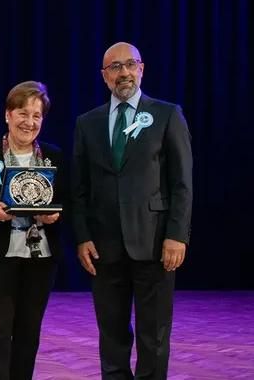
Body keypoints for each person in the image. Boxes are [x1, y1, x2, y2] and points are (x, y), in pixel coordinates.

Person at [72, 42, 192, 379]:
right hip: (104, 247)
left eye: (130, 64)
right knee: (112, 336)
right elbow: (78, 188)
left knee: (154, 335)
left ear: (141, 69)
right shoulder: (87, 123)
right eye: (115, 67)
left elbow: (182, 183)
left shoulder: (167, 115)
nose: (123, 72)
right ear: (104, 76)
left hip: (155, 243)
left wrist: (177, 235)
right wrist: (82, 237)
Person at [0, 81, 64, 380]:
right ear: (7, 115)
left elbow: (70, 201)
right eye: (22, 113)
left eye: (36, 115)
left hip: (40, 259)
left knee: (28, 333)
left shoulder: (54, 156)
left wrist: (54, 215)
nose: (29, 122)